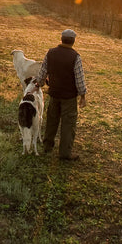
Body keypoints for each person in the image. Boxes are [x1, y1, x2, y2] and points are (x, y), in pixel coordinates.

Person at [36, 28, 87, 160]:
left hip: (54, 94)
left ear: (61, 39)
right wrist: (83, 96)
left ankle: (47, 146)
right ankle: (65, 153)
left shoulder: (51, 53)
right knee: (68, 124)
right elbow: (79, 79)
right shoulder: (75, 57)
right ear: (73, 41)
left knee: (52, 121)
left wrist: (39, 84)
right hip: (69, 97)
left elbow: (42, 72)